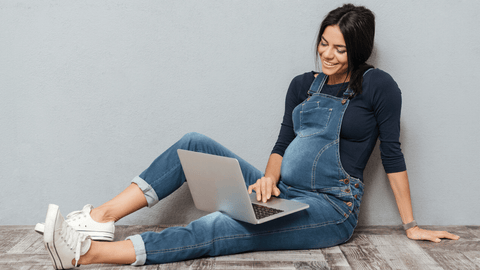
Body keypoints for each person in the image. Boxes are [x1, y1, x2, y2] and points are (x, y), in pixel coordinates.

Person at [39, 4, 459, 269]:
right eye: (324, 43)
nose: (328, 55)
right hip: (283, 192)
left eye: (341, 49)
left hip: (330, 209)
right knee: (193, 142)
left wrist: (411, 225)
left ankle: (89, 254)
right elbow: (281, 144)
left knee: (221, 224)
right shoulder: (303, 84)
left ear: (359, 51)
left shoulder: (378, 86)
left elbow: (392, 154)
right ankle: (101, 220)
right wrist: (269, 179)